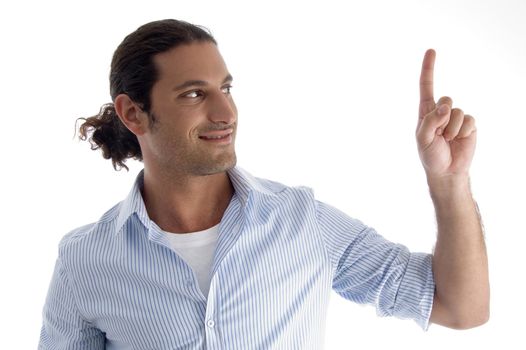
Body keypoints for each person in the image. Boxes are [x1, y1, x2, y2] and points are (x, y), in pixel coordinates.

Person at [38, 19, 489, 349]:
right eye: (194, 94)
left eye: (226, 89)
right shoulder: (86, 260)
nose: (225, 113)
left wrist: (449, 183)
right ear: (133, 113)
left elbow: (459, 307)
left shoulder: (302, 221)